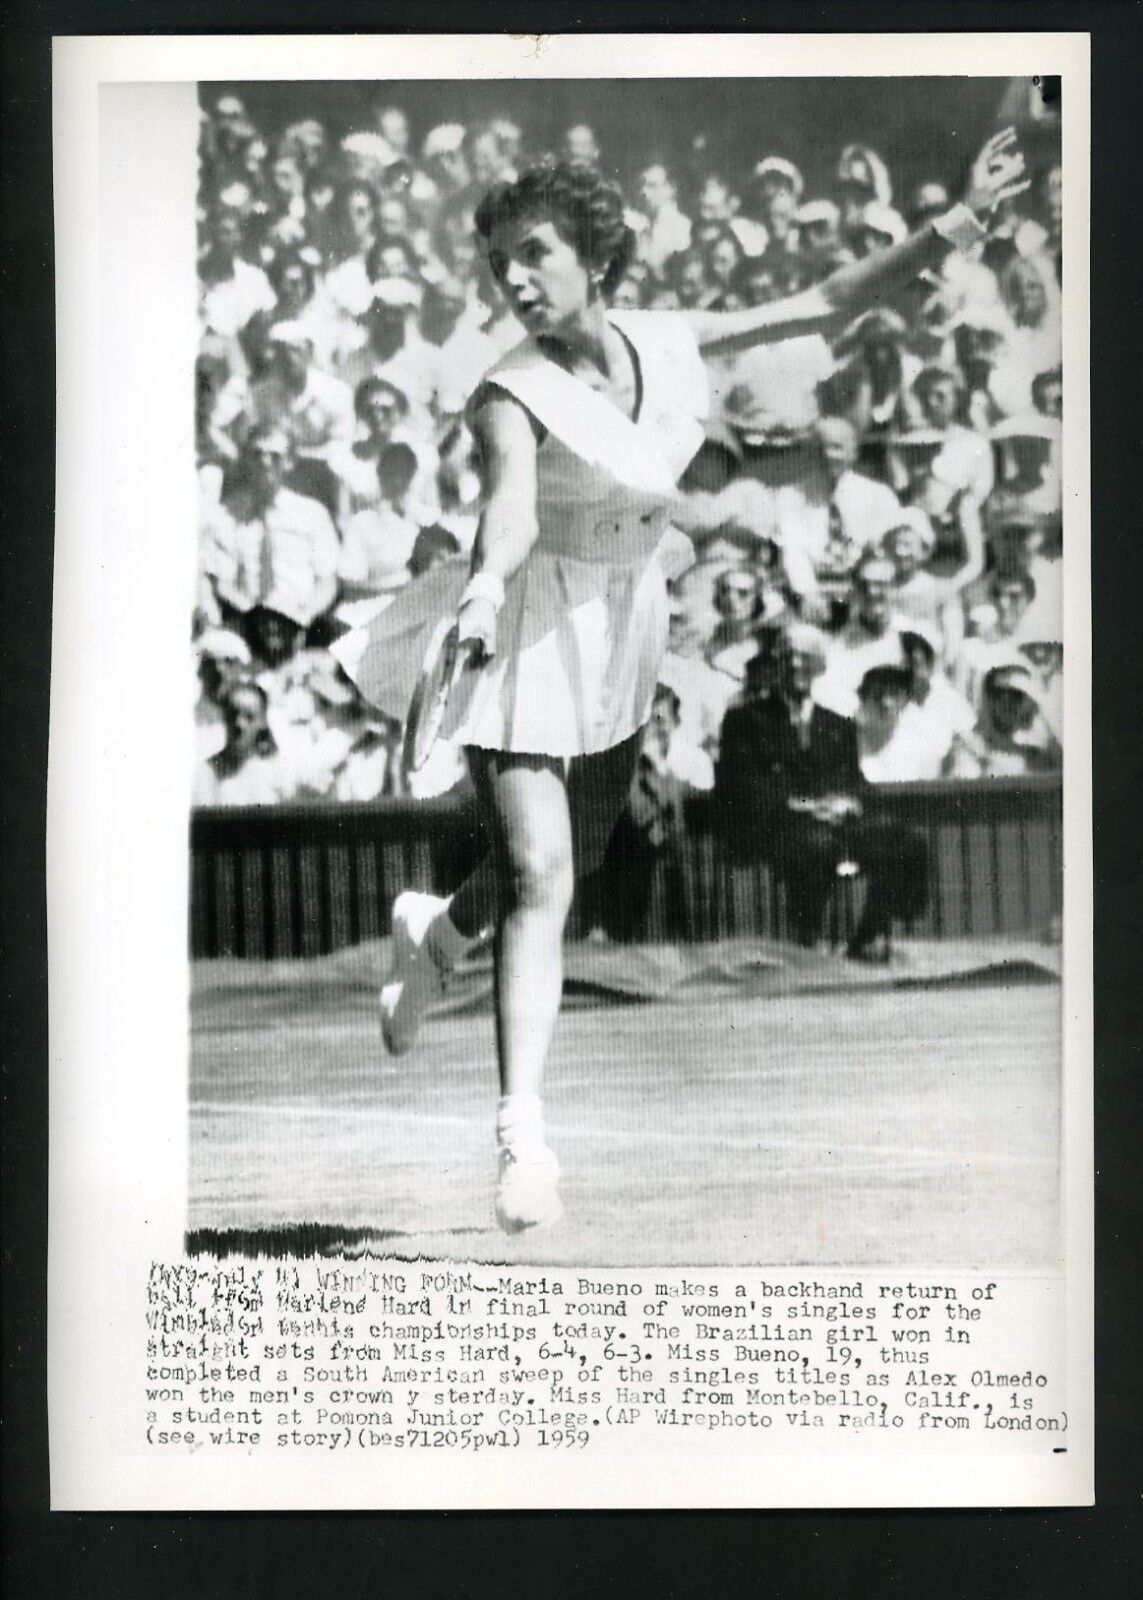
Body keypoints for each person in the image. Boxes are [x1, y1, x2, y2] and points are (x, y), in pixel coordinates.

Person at [335, 136, 1026, 1231]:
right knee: (539, 864)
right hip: (518, 616)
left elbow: (824, 299)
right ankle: (523, 1139)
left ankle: (441, 936)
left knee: (581, 848)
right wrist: (478, 593)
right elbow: (510, 507)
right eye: (498, 262)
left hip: (627, 616)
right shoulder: (506, 393)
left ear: (595, 259)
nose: (513, 280)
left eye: (535, 254)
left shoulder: (671, 339)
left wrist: (961, 225)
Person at [714, 625, 928, 958]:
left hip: (834, 823)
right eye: (788, 657)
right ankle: (806, 942)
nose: (797, 665)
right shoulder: (745, 719)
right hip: (774, 826)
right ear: (775, 666)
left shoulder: (836, 723)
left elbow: (854, 779)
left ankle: (867, 935)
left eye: (805, 658)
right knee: (816, 844)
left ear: (818, 667)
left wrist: (849, 802)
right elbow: (740, 783)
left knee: (907, 841)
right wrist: (802, 806)